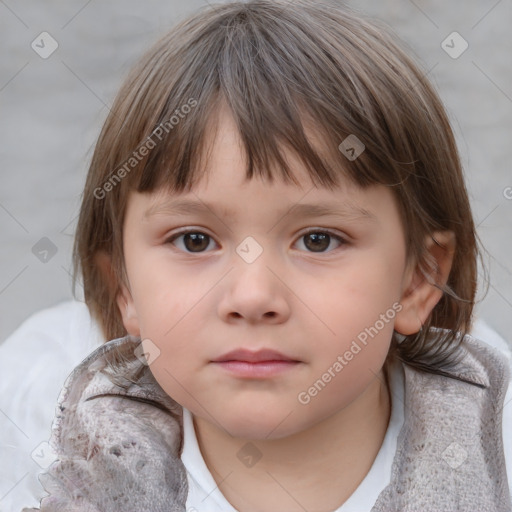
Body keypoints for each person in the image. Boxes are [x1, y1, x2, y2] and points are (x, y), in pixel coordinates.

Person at [12, 0, 512, 510]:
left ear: (417, 280)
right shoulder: (40, 425)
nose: (252, 298)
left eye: (318, 239)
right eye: (195, 240)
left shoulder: (494, 445)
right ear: (124, 286)